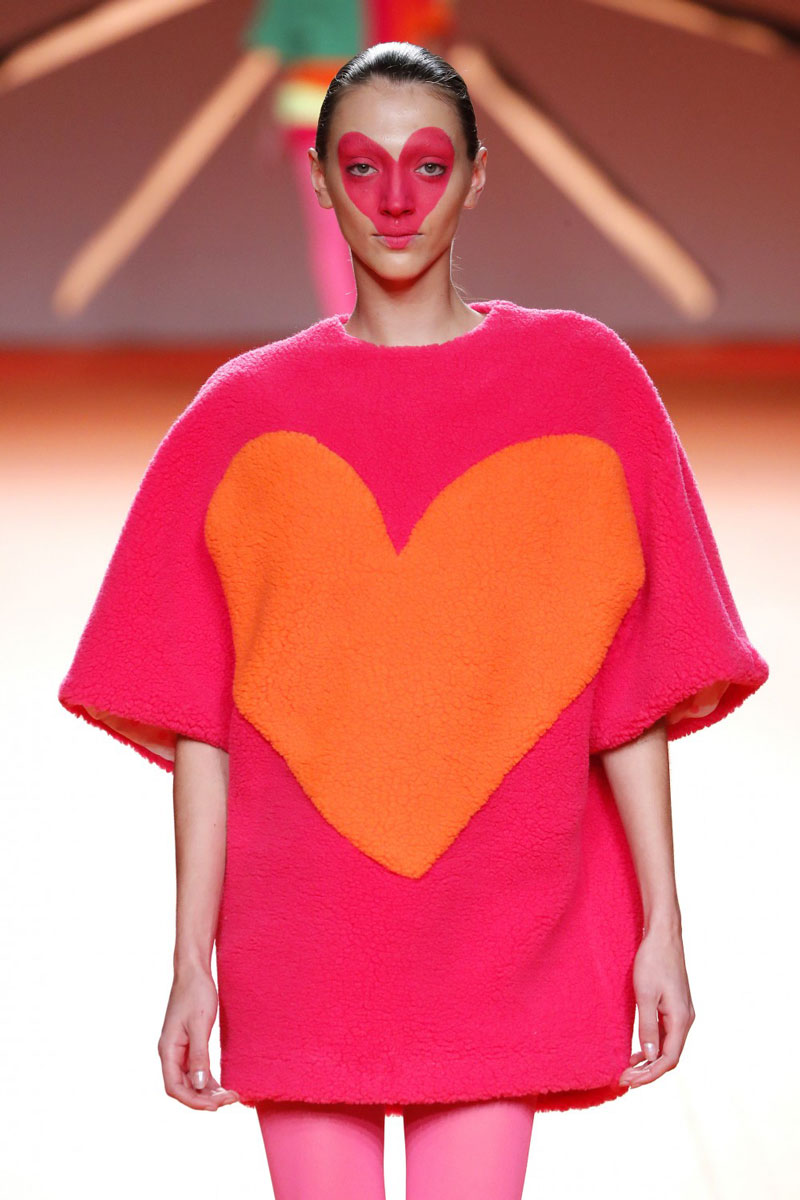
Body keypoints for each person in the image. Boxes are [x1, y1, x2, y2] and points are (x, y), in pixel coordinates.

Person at [58, 40, 769, 1200]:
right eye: (362, 165)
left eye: (428, 165)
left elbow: (624, 681)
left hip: (498, 929)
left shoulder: (580, 384)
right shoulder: (241, 418)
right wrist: (189, 962)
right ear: (321, 180)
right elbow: (203, 724)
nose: (395, 198)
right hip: (302, 940)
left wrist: (662, 924)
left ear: (475, 177)